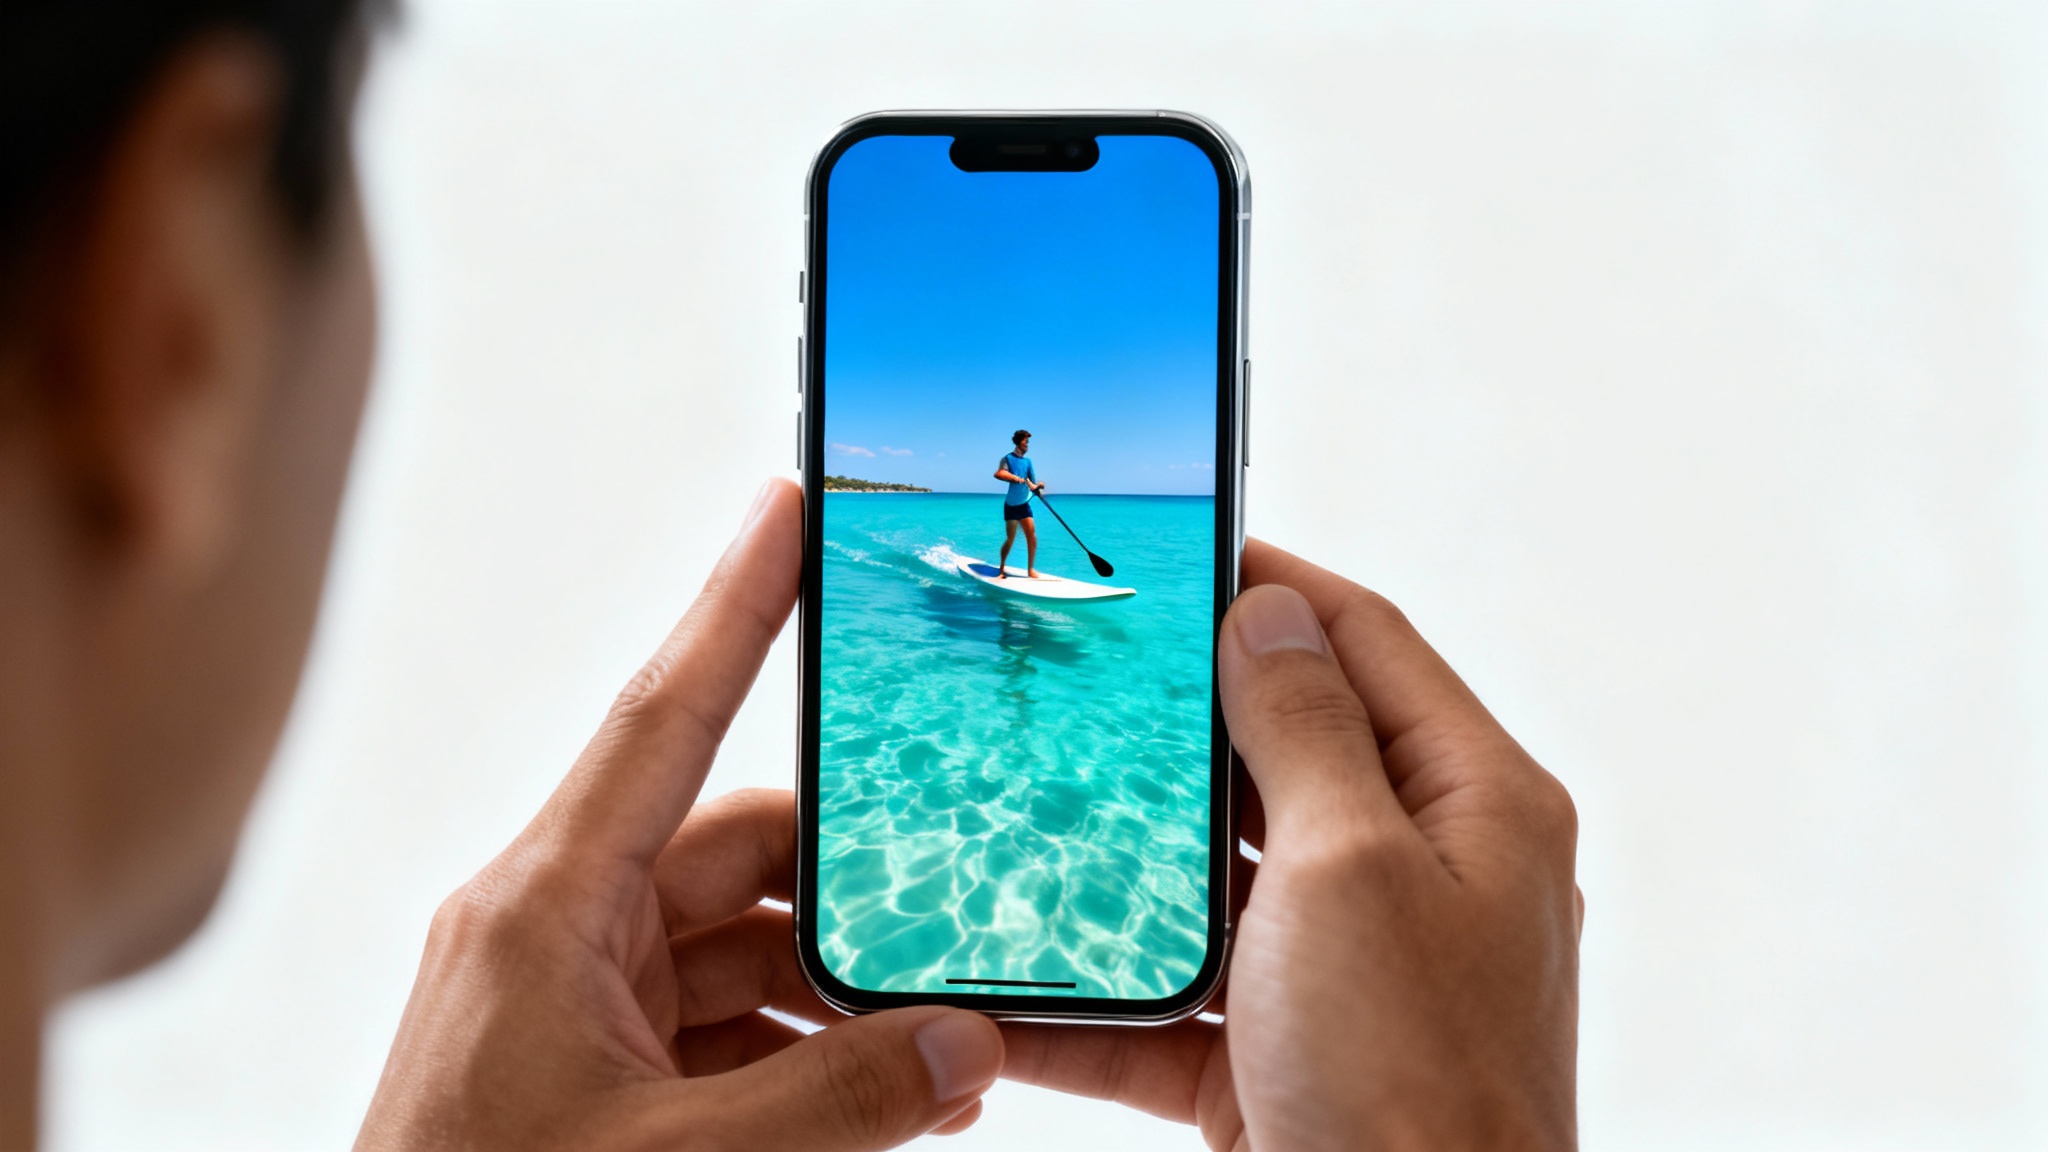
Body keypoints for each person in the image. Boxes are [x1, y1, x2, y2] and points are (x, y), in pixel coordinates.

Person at [0, 3, 1584, 1150]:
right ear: (178, 305)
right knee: (1025, 555)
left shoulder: (1021, 465)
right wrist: (1443, 1132)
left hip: (1026, 534)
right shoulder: (1021, 472)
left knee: (1029, 562)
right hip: (1026, 535)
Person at [993, 428, 1045, 578]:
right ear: (1018, 442)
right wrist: (1015, 478)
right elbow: (999, 473)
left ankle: (1030, 570)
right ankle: (1001, 569)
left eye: (1028, 442)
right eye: (1025, 442)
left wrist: (1038, 487)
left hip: (1024, 505)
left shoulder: (1028, 462)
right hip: (1011, 506)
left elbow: (1032, 485)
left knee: (1032, 536)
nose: (1027, 445)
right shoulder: (1007, 459)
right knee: (1011, 539)